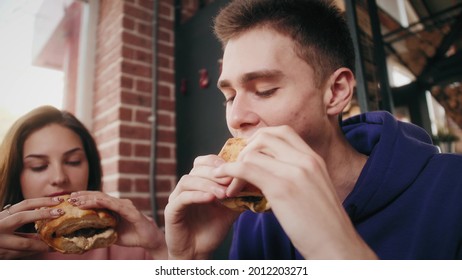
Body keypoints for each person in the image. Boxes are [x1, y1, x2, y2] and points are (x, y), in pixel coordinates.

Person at [164, 0, 462, 260]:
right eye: (229, 97)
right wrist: (190, 260)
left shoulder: (452, 188)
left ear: (335, 92)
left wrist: (336, 251)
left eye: (265, 90)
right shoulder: (255, 218)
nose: (236, 117)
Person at [0, 105, 167, 259]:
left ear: (90, 167)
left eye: (73, 161)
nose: (59, 177)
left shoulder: (134, 233)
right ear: (15, 175)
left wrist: (160, 248)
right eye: (39, 166)